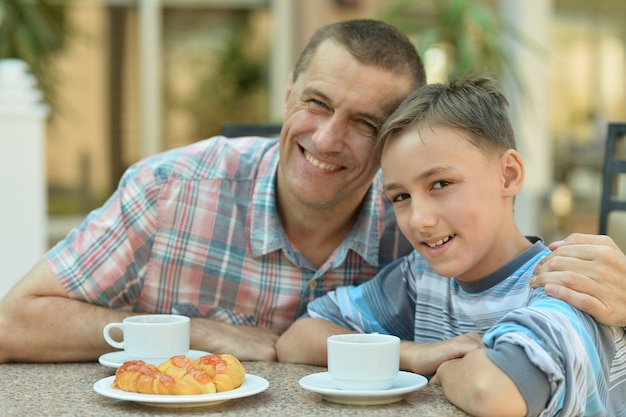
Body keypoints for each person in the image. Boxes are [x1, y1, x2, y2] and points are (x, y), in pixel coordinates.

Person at [0, 19, 426, 363]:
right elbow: (13, 322)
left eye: (365, 124)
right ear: (288, 95)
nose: (328, 139)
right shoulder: (169, 190)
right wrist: (196, 334)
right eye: (317, 103)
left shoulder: (417, 229)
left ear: (392, 140)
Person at [276, 76, 626, 417]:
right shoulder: (421, 279)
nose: (419, 219)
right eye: (401, 197)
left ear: (508, 175)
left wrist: (445, 371)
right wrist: (415, 355)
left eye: (441, 183)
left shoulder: (565, 282)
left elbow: (492, 392)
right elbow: (298, 339)